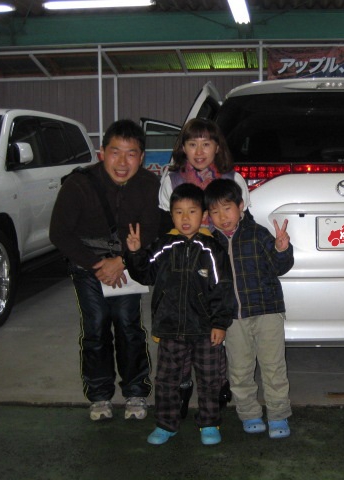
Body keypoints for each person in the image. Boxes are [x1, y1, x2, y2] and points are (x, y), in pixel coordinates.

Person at [50, 119, 164, 422]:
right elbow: (59, 233)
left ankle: (136, 391)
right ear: (102, 152)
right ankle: (99, 395)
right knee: (96, 325)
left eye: (131, 154)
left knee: (128, 324)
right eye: (115, 152)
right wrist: (96, 265)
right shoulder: (79, 184)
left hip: (127, 264)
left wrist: (122, 261)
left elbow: (152, 230)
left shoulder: (149, 185)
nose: (122, 162)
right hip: (88, 266)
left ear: (142, 157)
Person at [124, 183, 233, 446]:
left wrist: (220, 323)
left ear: (203, 216)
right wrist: (135, 253)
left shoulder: (212, 249)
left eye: (192, 211)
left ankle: (209, 422)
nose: (185, 218)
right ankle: (166, 424)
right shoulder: (163, 246)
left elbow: (223, 288)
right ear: (171, 215)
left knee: (210, 379)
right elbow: (145, 274)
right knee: (166, 381)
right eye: (179, 212)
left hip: (205, 331)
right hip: (170, 328)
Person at [158, 117, 248, 415]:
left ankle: (217, 385)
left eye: (206, 144)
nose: (199, 151)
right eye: (192, 144)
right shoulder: (171, 180)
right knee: (181, 334)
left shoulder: (233, 179)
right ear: (182, 147)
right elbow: (165, 228)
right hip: (182, 272)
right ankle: (183, 387)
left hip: (219, 267)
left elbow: (241, 223)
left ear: (217, 147)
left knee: (215, 333)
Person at [204, 178, 294, 439]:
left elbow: (279, 267)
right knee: (239, 369)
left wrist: (282, 249)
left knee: (273, 367)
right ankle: (249, 413)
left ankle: (278, 414)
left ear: (241, 206)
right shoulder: (209, 243)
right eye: (215, 212)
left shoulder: (258, 234)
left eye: (227, 208)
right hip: (233, 318)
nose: (223, 217)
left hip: (267, 312)